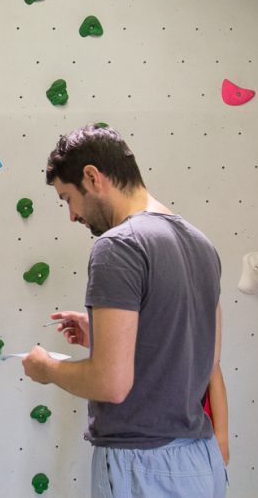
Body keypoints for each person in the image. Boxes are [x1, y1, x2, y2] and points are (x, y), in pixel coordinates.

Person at [22, 124, 226, 497]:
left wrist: (46, 368)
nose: (72, 215)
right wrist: (105, 332)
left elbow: (110, 385)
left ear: (92, 177)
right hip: (201, 461)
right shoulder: (202, 245)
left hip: (144, 468)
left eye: (68, 198)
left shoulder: (118, 246)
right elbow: (204, 355)